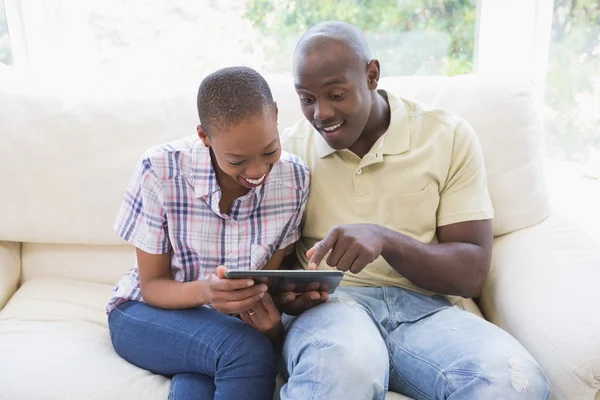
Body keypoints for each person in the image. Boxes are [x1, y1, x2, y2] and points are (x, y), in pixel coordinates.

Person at [275, 21, 551, 400]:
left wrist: (387, 240)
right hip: (334, 308)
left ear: (371, 75)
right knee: (343, 369)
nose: (321, 113)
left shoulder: (446, 136)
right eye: (307, 99)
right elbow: (269, 264)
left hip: (429, 311)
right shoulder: (288, 154)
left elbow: (471, 272)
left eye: (336, 94)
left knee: (515, 381)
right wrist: (287, 295)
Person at [106, 66, 310, 400]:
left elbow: (267, 284)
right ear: (204, 137)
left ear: (275, 113)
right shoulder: (160, 169)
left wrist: (273, 327)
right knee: (245, 351)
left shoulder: (295, 180)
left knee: (207, 375)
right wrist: (207, 292)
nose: (258, 170)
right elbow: (153, 286)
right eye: (237, 160)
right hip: (145, 312)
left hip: (220, 330)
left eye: (269, 151)